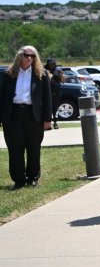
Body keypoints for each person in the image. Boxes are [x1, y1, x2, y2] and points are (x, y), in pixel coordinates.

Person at [1, 46, 52, 189]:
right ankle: (19, 179)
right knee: (15, 148)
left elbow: (47, 99)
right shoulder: (9, 74)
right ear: (19, 56)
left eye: (33, 56)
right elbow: (2, 97)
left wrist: (47, 119)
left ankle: (33, 177)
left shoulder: (41, 74)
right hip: (13, 115)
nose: (29, 58)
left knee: (34, 147)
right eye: (26, 55)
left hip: (33, 115)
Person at [45, 58, 62, 129]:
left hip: (56, 91)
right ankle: (47, 124)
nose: (52, 65)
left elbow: (61, 78)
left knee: (55, 108)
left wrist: (53, 75)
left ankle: (55, 122)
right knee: (47, 108)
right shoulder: (45, 70)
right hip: (47, 91)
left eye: (53, 64)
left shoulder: (57, 70)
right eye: (51, 64)